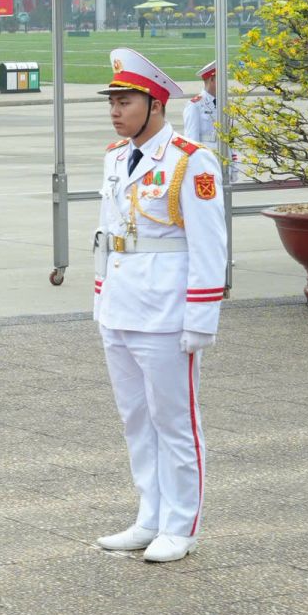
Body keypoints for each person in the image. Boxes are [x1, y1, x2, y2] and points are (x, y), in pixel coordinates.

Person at [93, 47, 227, 564]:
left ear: (156, 104)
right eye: (113, 101)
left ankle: (180, 524)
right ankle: (149, 515)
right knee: (136, 419)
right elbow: (108, 235)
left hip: (167, 311)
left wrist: (200, 318)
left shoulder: (191, 162)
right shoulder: (114, 157)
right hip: (121, 306)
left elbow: (209, 246)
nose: (115, 110)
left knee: (175, 421)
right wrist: (100, 298)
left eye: (125, 101)